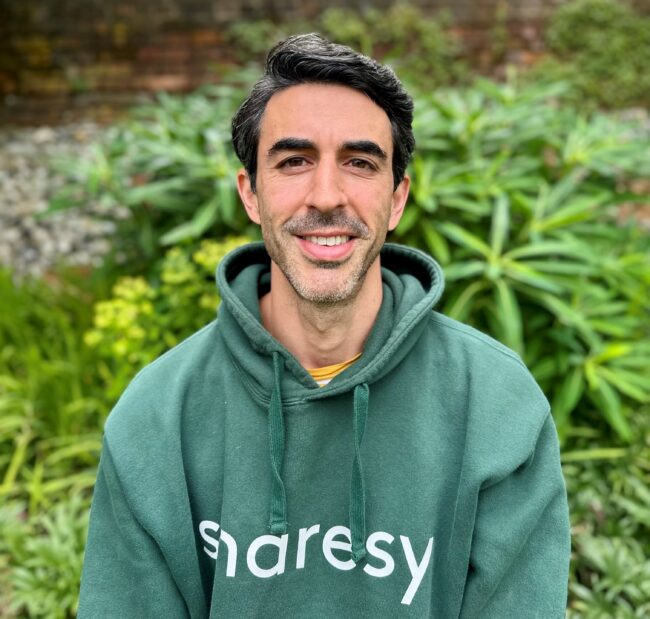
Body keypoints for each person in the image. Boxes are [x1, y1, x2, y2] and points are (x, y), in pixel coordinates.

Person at [78, 34, 570, 617]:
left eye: (360, 163)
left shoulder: (496, 405)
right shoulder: (157, 418)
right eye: (294, 161)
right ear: (251, 194)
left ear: (397, 199)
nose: (327, 195)